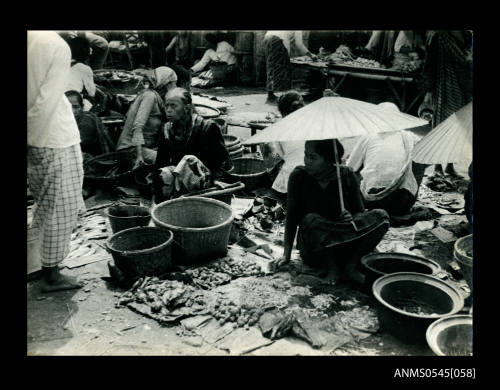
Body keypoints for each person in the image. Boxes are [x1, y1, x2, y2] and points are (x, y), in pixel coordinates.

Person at [273, 139, 390, 284]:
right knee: (311, 219)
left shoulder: (346, 175)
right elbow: (291, 217)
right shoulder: (298, 176)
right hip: (314, 245)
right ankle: (332, 268)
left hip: (344, 239)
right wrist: (286, 255)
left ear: (330, 161)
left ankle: (350, 265)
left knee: (381, 216)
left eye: (313, 157)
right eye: (306, 155)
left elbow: (360, 212)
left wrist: (351, 217)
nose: (306, 161)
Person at [28, 31, 86, 292]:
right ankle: (51, 274)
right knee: (60, 209)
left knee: (43, 206)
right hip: (52, 136)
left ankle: (36, 264)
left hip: (38, 139)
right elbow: (47, 101)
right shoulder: (56, 45)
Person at [346, 102, 426, 217]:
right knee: (417, 159)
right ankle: (403, 210)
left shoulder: (368, 136)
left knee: (355, 170)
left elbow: (350, 167)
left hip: (372, 201)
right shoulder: (409, 137)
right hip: (403, 201)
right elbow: (427, 156)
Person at [153, 88, 232, 202]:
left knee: (189, 160)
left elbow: (222, 162)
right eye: (167, 106)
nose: (168, 110)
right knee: (164, 173)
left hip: (205, 181)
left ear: (187, 108)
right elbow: (160, 161)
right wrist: (157, 196)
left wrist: (216, 184)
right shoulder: (166, 130)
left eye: (174, 106)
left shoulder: (207, 127)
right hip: (179, 179)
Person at [419, 30, 473, 176]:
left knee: (459, 128)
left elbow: (469, 61)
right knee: (441, 126)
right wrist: (429, 90)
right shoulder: (439, 35)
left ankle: (450, 165)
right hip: (444, 85)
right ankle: (437, 165)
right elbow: (429, 64)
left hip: (464, 87)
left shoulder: (467, 35)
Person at [115, 66, 178, 168]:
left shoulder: (158, 98)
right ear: (167, 84)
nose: (175, 87)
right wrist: (139, 156)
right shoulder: (150, 96)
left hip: (143, 148)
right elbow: (138, 126)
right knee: (170, 161)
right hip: (130, 150)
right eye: (174, 83)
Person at [260, 91, 306, 198]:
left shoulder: (280, 128)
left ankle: (274, 178)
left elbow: (280, 155)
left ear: (283, 112)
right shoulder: (311, 123)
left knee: (266, 146)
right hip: (316, 170)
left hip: (293, 176)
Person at [263, 31, 317, 104]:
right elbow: (299, 45)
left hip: (267, 38)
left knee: (271, 66)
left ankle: (271, 94)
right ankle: (283, 97)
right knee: (282, 68)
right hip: (277, 40)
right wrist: (311, 55)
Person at [65, 90, 115, 160]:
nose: (72, 111)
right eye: (67, 107)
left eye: (75, 107)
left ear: (82, 107)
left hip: (94, 159)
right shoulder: (67, 121)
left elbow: (80, 145)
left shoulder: (86, 122)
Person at [65, 36, 97, 111]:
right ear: (84, 50)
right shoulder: (85, 69)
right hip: (73, 101)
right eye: (88, 47)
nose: (91, 49)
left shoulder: (58, 64)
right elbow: (92, 93)